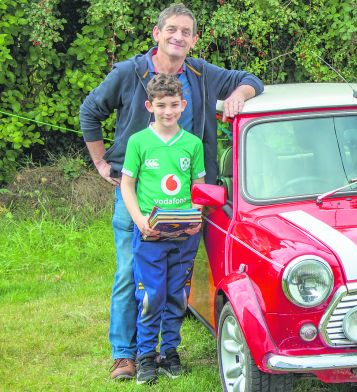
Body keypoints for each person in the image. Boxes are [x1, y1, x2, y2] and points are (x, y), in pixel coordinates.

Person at [79, 3, 264, 380]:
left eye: (186, 32)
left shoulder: (200, 73)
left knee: (176, 276)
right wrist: (102, 164)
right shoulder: (129, 72)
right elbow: (90, 111)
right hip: (139, 197)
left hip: (186, 200)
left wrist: (239, 94)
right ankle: (125, 355)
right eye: (172, 30)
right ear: (156, 34)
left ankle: (167, 350)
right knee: (132, 272)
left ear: (194, 40)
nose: (178, 37)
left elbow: (252, 79)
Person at [121, 73, 203, 384]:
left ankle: (169, 352)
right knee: (151, 296)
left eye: (173, 105)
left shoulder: (192, 144)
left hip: (183, 236)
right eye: (161, 105)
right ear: (149, 105)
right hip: (150, 236)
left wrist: (197, 215)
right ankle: (145, 356)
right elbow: (128, 185)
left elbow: (199, 186)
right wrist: (140, 220)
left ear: (183, 105)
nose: (167, 111)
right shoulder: (139, 142)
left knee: (176, 296)